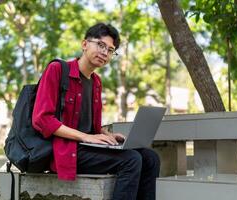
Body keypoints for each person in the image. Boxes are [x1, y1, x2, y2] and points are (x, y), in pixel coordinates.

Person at [32, 22, 160, 200]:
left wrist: (107, 135)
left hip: (87, 147)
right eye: (100, 45)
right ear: (84, 44)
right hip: (65, 150)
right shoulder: (57, 70)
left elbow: (92, 127)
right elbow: (42, 119)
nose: (104, 53)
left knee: (150, 157)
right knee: (131, 160)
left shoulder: (96, 82)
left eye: (110, 50)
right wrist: (86, 137)